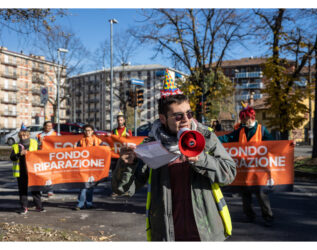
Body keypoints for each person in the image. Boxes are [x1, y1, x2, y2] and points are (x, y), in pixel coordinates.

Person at [112, 69, 236, 241]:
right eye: (178, 116)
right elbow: (123, 190)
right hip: (168, 235)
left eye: (189, 114)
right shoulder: (150, 145)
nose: (186, 119)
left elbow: (229, 173)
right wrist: (126, 165)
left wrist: (201, 159)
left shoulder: (206, 137)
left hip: (206, 233)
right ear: (163, 119)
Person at [218, 104, 275, 227]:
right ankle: (249, 215)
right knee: (245, 194)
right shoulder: (241, 130)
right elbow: (227, 138)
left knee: (261, 193)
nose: (243, 121)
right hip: (244, 168)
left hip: (259, 169)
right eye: (242, 119)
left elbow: (272, 143)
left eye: (245, 118)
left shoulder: (261, 130)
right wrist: (214, 139)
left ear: (252, 117)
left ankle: (268, 216)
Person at [10, 124, 45, 214]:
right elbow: (12, 158)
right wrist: (19, 154)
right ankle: (24, 207)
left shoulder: (34, 143)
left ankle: (39, 206)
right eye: (21, 135)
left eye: (25, 135)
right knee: (23, 191)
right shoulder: (16, 146)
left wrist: (41, 144)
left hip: (33, 171)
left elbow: (41, 153)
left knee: (35, 189)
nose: (23, 137)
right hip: (21, 171)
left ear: (28, 135)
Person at [73, 124, 104, 210]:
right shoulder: (80, 141)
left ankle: (89, 203)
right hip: (83, 166)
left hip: (93, 166)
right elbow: (75, 152)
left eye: (89, 130)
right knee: (83, 186)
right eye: (86, 130)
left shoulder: (98, 140)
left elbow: (104, 149)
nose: (87, 132)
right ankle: (80, 204)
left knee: (90, 186)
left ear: (92, 131)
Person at [37, 121, 57, 197]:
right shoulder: (39, 135)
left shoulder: (56, 134)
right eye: (48, 126)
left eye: (50, 126)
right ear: (44, 126)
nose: (49, 127)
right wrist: (39, 142)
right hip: (41, 157)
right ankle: (41, 189)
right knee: (41, 174)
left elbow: (61, 143)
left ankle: (50, 190)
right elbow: (36, 146)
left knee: (51, 174)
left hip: (52, 156)